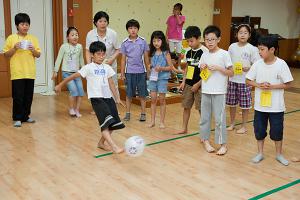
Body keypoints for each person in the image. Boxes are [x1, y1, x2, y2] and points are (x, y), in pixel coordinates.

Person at [55, 41, 125, 153]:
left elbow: (111, 83)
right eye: (98, 54)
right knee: (105, 123)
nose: (101, 57)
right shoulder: (88, 68)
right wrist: (60, 84)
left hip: (108, 98)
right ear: (92, 55)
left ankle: (101, 143)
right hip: (97, 99)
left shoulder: (107, 67)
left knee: (113, 124)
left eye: (103, 54)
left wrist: (117, 98)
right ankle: (114, 147)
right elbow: (73, 76)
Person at [246, 35, 293, 166]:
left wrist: (272, 86)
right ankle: (260, 153)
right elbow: (248, 80)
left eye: (262, 49)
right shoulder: (257, 64)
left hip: (276, 107)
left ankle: (279, 154)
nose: (259, 52)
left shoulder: (281, 64)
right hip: (260, 107)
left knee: (277, 131)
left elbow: (288, 84)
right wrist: (258, 85)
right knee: (259, 130)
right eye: (258, 49)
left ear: (272, 49)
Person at [198, 25, 234, 155]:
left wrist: (219, 68)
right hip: (206, 91)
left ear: (219, 39)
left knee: (219, 119)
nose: (210, 42)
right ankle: (205, 141)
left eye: (213, 39)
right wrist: (202, 67)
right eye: (207, 40)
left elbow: (231, 72)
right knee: (204, 118)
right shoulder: (204, 54)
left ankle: (223, 144)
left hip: (219, 91)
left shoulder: (224, 54)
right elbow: (202, 73)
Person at [3, 13, 41, 127]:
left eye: (27, 24)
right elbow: (6, 54)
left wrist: (33, 50)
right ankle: (17, 118)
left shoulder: (33, 38)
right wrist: (14, 48)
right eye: (22, 24)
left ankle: (26, 116)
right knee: (18, 96)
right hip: (17, 72)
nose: (25, 26)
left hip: (30, 72)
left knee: (28, 96)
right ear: (17, 25)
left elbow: (38, 54)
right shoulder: (11, 38)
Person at [226, 24, 260, 134]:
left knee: (245, 105)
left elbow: (257, 64)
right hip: (232, 79)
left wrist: (249, 68)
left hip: (245, 80)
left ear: (249, 35)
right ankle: (232, 124)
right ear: (236, 34)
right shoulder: (232, 47)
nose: (243, 34)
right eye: (240, 32)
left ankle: (244, 126)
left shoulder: (252, 49)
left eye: (245, 32)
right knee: (231, 103)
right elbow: (228, 62)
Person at [177, 26, 208, 134]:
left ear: (199, 38)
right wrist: (183, 82)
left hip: (200, 85)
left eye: (192, 41)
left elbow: (207, 72)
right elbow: (187, 68)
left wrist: (198, 84)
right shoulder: (188, 52)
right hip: (188, 84)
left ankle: (204, 131)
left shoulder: (205, 52)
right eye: (188, 41)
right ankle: (184, 128)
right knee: (186, 107)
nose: (190, 43)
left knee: (201, 109)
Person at [86, 11, 120, 103]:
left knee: (112, 85)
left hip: (110, 64)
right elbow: (88, 51)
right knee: (97, 86)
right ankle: (98, 108)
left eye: (105, 21)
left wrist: (111, 59)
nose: (103, 23)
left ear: (108, 22)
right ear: (96, 23)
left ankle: (114, 107)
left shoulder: (113, 34)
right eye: (100, 21)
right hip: (96, 64)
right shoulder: (90, 34)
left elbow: (118, 49)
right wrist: (89, 65)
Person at [120, 19, 150, 122]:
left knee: (142, 94)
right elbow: (123, 59)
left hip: (141, 72)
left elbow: (146, 58)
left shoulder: (143, 41)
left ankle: (143, 114)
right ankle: (127, 114)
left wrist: (148, 71)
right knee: (129, 94)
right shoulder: (124, 43)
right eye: (130, 28)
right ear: (127, 30)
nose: (133, 30)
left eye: (135, 28)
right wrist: (123, 73)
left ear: (138, 29)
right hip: (129, 72)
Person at [52, 27, 85, 117]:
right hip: (66, 73)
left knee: (80, 91)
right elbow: (59, 59)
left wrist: (84, 70)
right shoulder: (64, 46)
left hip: (77, 73)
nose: (75, 37)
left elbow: (81, 59)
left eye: (77, 35)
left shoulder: (80, 47)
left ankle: (77, 109)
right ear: (67, 37)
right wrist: (55, 71)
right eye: (72, 35)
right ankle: (71, 109)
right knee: (73, 91)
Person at [148, 31, 173, 128]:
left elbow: (170, 67)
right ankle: (152, 121)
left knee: (162, 100)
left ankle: (162, 122)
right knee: (153, 100)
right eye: (154, 41)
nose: (156, 43)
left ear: (162, 41)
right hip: (153, 79)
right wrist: (150, 66)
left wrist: (161, 68)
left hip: (162, 79)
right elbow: (151, 65)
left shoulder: (166, 53)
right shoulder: (152, 53)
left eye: (158, 40)